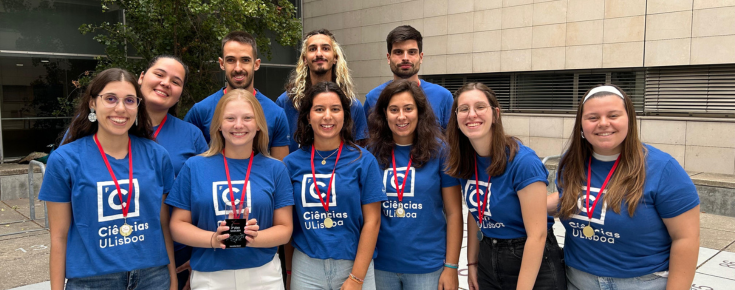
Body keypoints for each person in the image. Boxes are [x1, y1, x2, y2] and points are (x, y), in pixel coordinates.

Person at [547, 85, 700, 289]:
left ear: (629, 119)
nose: (603, 123)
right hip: (577, 279)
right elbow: (570, 198)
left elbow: (686, 238)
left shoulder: (663, 168)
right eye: (593, 118)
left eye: (613, 115)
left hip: (643, 282)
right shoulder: (570, 163)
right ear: (581, 125)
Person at [42, 68, 176, 290]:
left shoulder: (157, 155)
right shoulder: (64, 160)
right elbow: (58, 236)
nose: (121, 108)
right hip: (92, 281)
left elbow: (163, 225)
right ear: (92, 104)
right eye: (110, 99)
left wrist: (172, 279)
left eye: (130, 100)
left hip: (153, 277)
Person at [167, 89, 294, 289]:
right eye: (230, 118)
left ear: (259, 124)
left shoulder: (276, 169)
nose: (238, 125)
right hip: (210, 277)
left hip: (263, 276)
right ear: (218, 125)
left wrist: (253, 237)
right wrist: (213, 239)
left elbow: (285, 229)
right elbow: (177, 226)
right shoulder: (194, 167)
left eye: (247, 118)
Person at [445, 83, 565, 290]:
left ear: (496, 114)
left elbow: (537, 236)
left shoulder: (523, 162)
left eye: (480, 107)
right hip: (487, 255)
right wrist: (472, 263)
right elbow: (476, 214)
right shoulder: (466, 161)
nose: (471, 114)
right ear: (456, 118)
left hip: (530, 257)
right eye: (464, 109)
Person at [283, 82, 386, 289]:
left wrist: (357, 278)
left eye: (335, 109)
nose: (327, 116)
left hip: (354, 264)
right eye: (319, 109)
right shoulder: (290, 164)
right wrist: (289, 271)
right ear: (308, 117)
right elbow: (288, 224)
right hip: (306, 267)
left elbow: (372, 222)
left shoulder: (364, 161)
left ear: (345, 116)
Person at [366, 79, 462, 290]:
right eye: (394, 109)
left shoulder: (441, 151)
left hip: (427, 266)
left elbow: (454, 212)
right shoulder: (370, 154)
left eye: (408, 109)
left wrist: (452, 266)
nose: (401, 116)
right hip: (380, 265)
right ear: (384, 113)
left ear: (419, 111)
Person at [137, 55, 209, 289]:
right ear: (141, 78)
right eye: (159, 74)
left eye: (176, 81)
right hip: (111, 253)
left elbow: (206, 199)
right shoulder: (104, 129)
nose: (166, 83)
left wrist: (199, 256)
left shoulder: (192, 135)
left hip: (176, 254)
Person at [185, 31, 290, 160]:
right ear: (222, 63)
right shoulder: (200, 111)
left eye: (245, 60)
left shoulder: (276, 114)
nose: (238, 68)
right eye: (230, 60)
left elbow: (280, 171)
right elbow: (186, 164)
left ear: (256, 64)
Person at [276, 29, 369, 151]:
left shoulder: (352, 105)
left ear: (335, 57)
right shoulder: (285, 102)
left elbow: (360, 154)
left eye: (325, 48)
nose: (319, 54)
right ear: (305, 59)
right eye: (312, 49)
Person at [363, 25, 453, 130]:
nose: (405, 58)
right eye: (398, 52)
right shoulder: (373, 97)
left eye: (412, 52)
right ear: (389, 58)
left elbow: (452, 141)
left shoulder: (443, 96)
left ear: (421, 57)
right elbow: (366, 142)